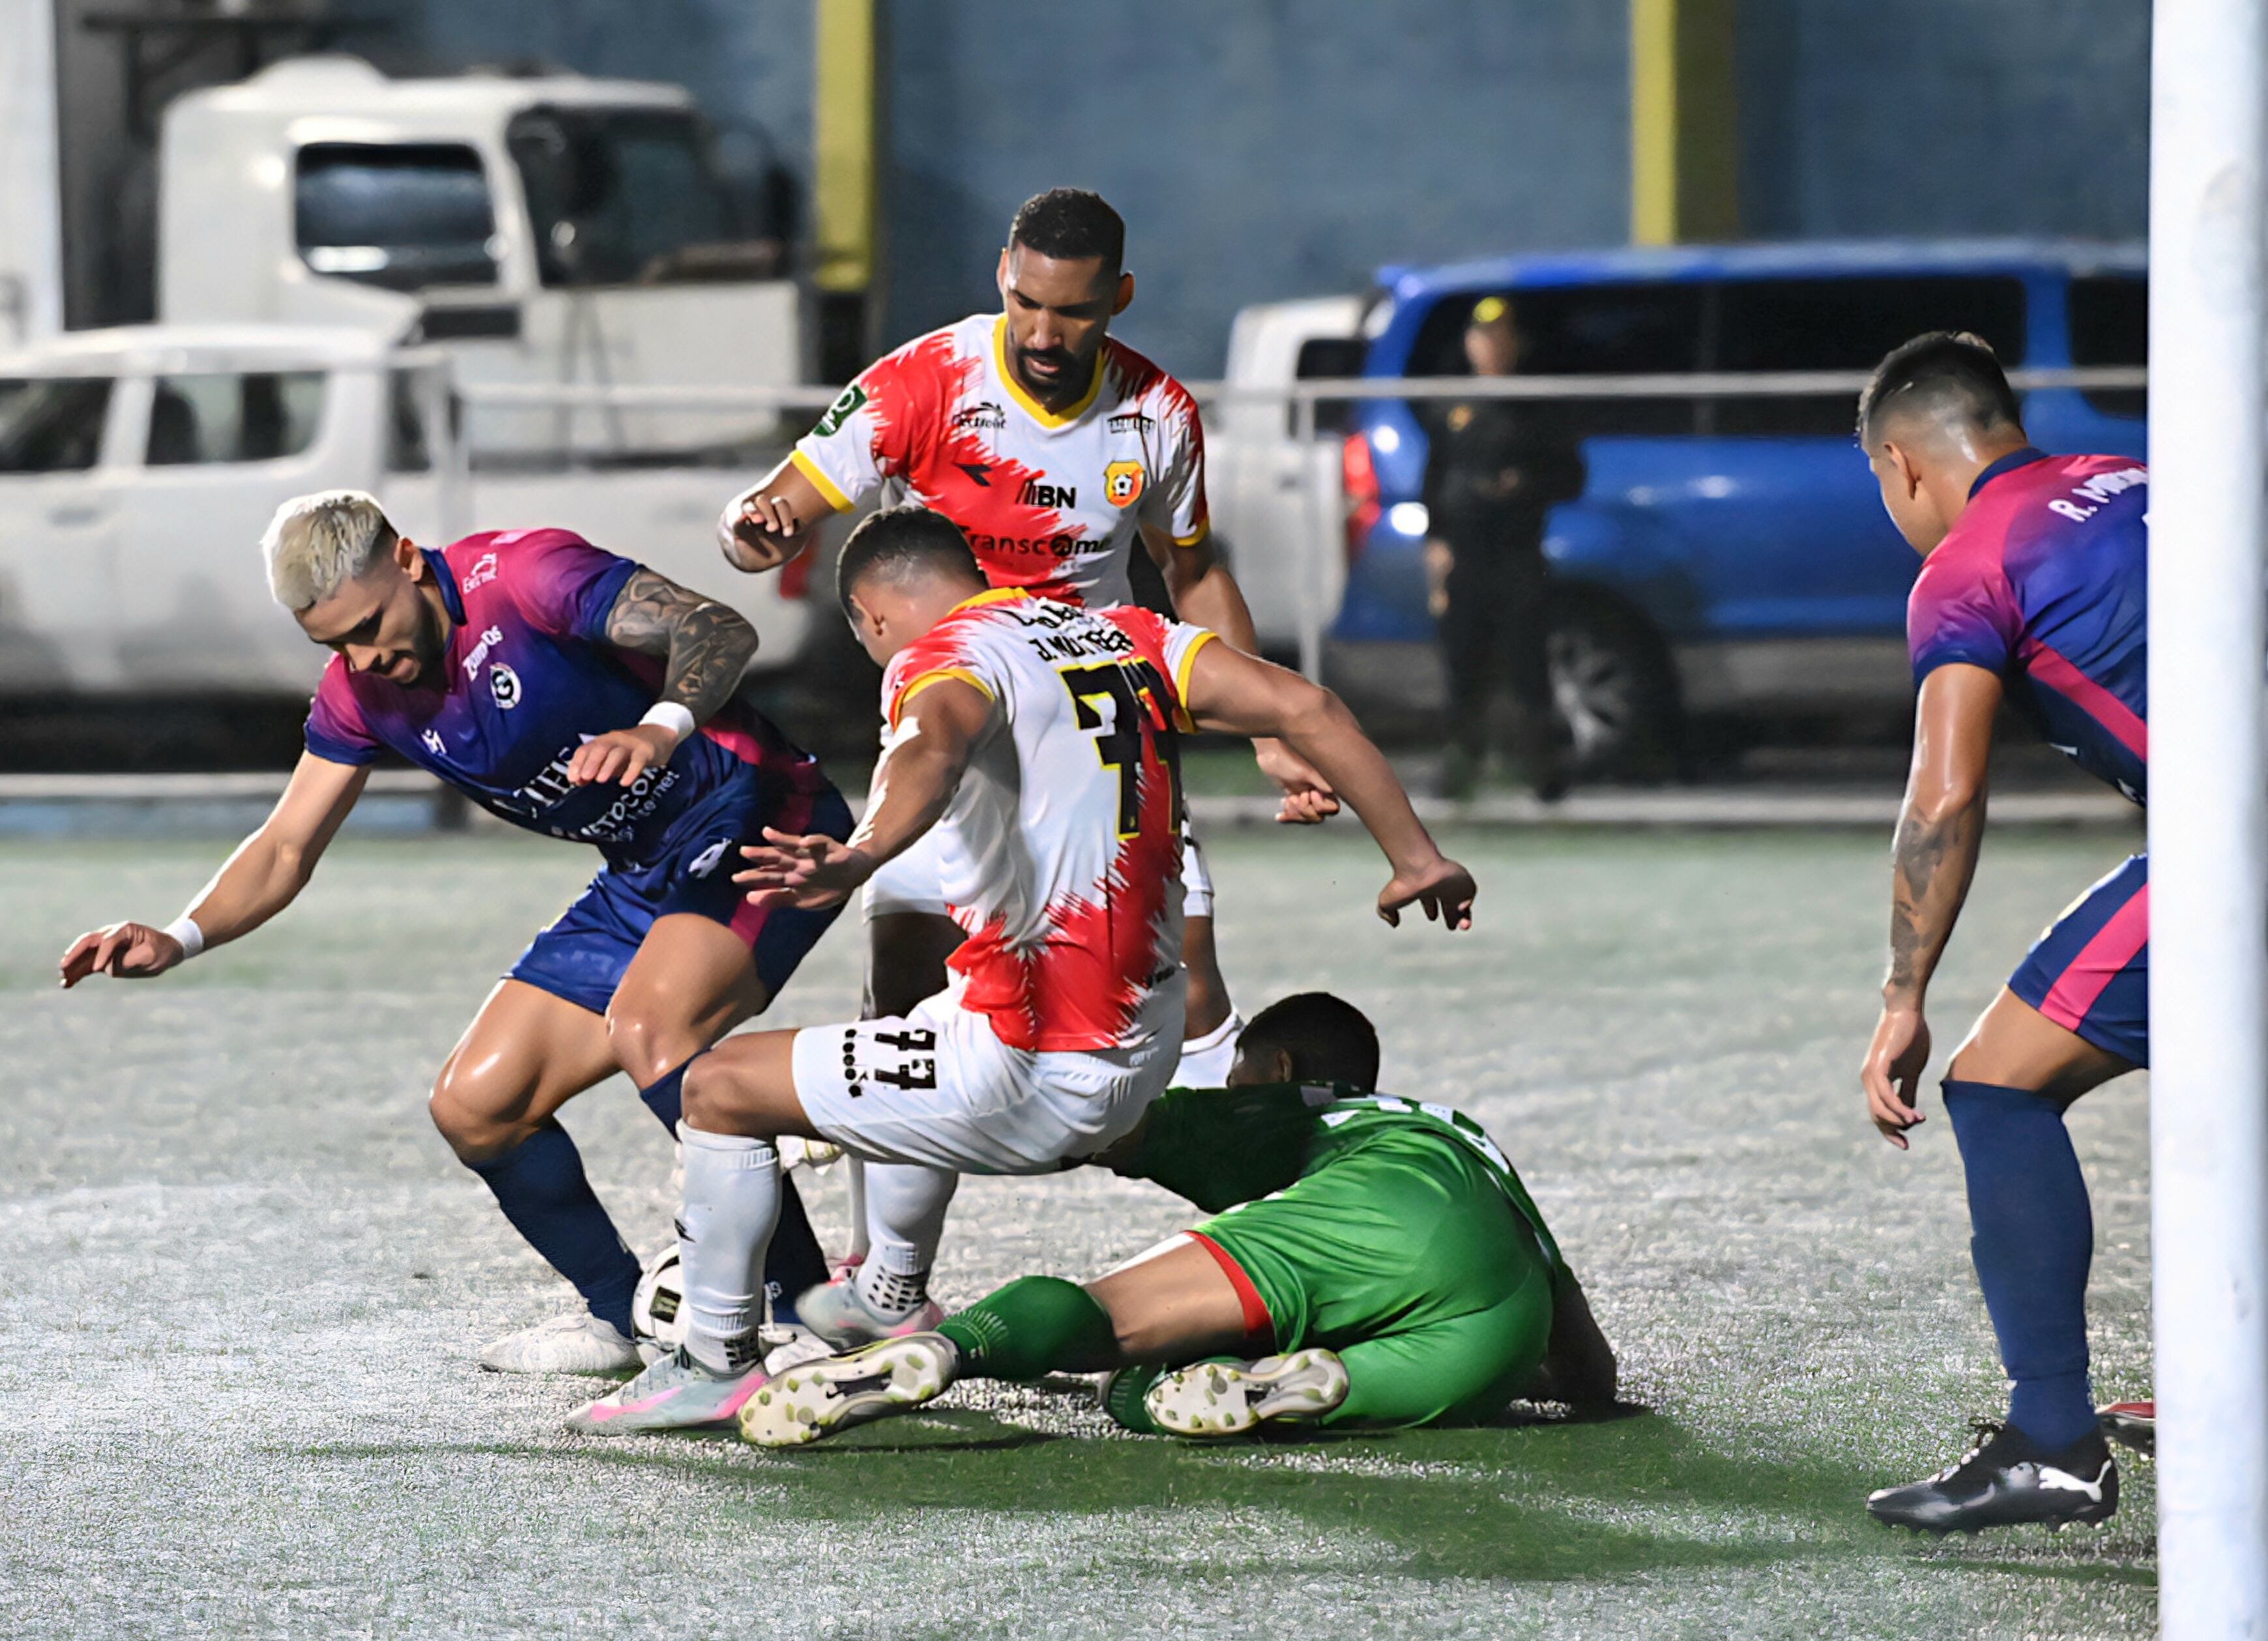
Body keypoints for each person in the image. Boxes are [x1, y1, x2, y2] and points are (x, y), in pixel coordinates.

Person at [564, 506, 1476, 1433]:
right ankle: (886, 1290)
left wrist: (862, 852)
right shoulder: (1124, 631)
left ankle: (712, 1361)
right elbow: (1306, 707)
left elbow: (933, 739)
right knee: (901, 1026)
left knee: (718, 1086)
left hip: (1032, 1064)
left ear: (875, 619)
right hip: (1141, 1051)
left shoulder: (941, 657)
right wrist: (1414, 855)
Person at [714, 187, 1335, 1339]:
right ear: (1003, 274)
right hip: (955, 744)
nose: (1045, 333)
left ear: (1119, 299)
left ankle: (1277, 1267)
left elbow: (1190, 576)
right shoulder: (923, 383)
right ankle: (891, 1285)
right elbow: (782, 503)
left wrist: (1268, 724)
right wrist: (755, 526)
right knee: (905, 998)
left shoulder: (1156, 414)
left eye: (1074, 311)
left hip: (1098, 748)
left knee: (1188, 988)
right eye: (1027, 302)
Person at [57, 492, 850, 1374]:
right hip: (638, 871)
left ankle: (807, 1311)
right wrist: (180, 935)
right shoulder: (360, 694)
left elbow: (719, 627)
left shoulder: (524, 576)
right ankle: (617, 1314)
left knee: (653, 1030)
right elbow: (286, 844)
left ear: (403, 556)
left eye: (368, 626)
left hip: (759, 817)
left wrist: (658, 727)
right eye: (334, 646)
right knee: (478, 1106)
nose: (365, 658)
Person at [738, 990, 1618, 1448]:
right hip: (1498, 1314)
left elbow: (1070, 1122)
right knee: (1306, 1387)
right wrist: (1522, 1373)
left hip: (1369, 1214)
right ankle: (1294, 1388)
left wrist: (868, 1123)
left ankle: (951, 1347)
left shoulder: (1295, 1109)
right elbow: (1590, 1374)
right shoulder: (1464, 1137)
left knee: (1121, 1347)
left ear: (1274, 1068)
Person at [1852, 334, 2145, 1532]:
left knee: (1998, 1085)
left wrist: (1901, 992)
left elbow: (1945, 794)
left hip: (2245, 845)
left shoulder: (1968, 563)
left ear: (1904, 466)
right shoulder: (2135, 480)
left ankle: (2055, 1439)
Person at [1421, 295, 1587, 802]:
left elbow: (1571, 476)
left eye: (1503, 337)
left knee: (1526, 666)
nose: (1493, 347)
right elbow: (1433, 483)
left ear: (1518, 345)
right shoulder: (1450, 407)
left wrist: (1524, 483)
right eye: (1484, 337)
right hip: (1466, 556)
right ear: (1470, 345)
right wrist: (1436, 544)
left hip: (1517, 553)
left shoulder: (1538, 405)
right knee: (1463, 666)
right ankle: (1460, 772)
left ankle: (1544, 775)